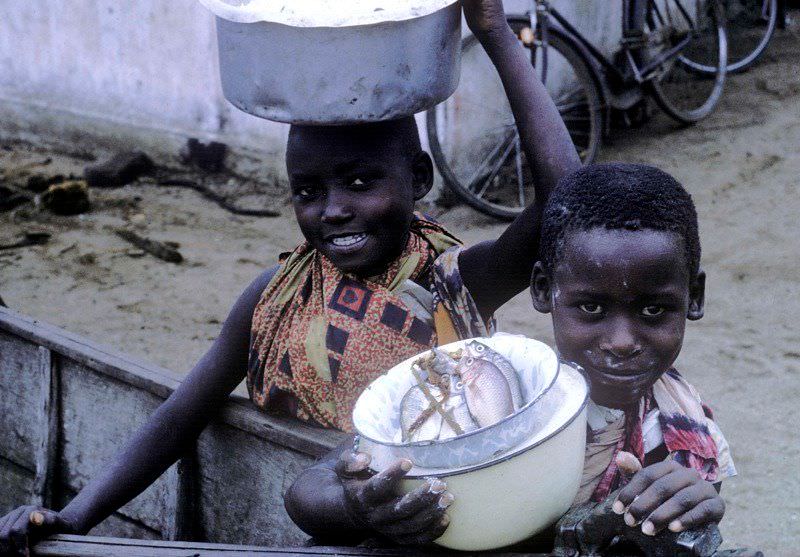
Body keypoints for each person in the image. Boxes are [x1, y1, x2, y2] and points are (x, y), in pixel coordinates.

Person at [0, 0, 581, 554]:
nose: (332, 210)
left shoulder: (453, 281)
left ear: (419, 178)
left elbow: (565, 200)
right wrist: (73, 517)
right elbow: (181, 415)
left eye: (360, 183)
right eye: (308, 191)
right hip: (312, 521)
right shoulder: (275, 295)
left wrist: (494, 32)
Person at [286, 163, 737, 549]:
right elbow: (306, 492)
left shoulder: (687, 429)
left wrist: (695, 510)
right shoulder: (495, 389)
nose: (621, 340)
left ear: (693, 298)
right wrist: (358, 507)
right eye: (591, 308)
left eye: (653, 309)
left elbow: (680, 536)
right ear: (543, 289)